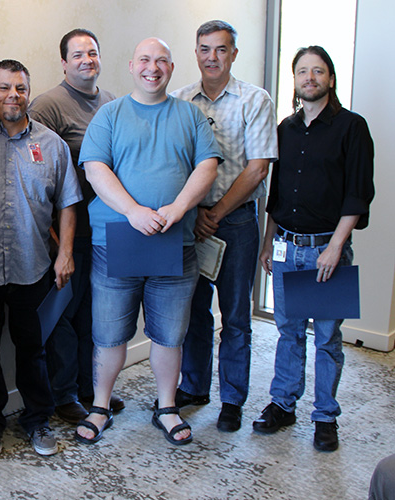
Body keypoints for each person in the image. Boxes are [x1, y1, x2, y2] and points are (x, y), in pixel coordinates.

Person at [76, 38, 221, 446]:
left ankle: (166, 406)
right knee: (108, 334)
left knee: (170, 334)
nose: (152, 68)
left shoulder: (190, 116)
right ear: (131, 65)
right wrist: (133, 211)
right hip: (117, 239)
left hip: (174, 241)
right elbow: (95, 168)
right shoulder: (110, 114)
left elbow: (207, 166)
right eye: (144, 59)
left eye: (161, 61)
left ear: (172, 69)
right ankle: (101, 406)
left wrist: (177, 208)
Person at [253, 46, 374, 452]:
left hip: (326, 251)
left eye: (318, 71)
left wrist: (336, 247)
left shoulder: (352, 127)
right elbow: (278, 193)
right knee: (287, 333)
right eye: (302, 71)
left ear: (330, 79)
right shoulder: (286, 129)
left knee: (326, 339)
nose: (310, 78)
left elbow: (358, 195)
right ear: (296, 80)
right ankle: (283, 404)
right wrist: (269, 242)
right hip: (288, 246)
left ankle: (325, 417)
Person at [0, 59, 83, 457]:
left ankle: (37, 421)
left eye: (20, 88)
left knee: (32, 349)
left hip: (33, 265)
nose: (12, 96)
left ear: (29, 93)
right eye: (3, 88)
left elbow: (68, 202)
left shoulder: (51, 144)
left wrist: (65, 254)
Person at [172, 20, 278, 432]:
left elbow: (258, 169)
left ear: (234, 54)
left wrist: (215, 212)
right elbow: (175, 162)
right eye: (204, 49)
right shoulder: (179, 101)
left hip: (235, 222)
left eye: (221, 49)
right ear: (195, 52)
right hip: (190, 222)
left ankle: (232, 399)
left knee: (235, 316)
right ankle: (195, 386)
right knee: (193, 312)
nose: (211, 57)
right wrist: (196, 211)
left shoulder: (255, 99)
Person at [28, 28, 121, 424]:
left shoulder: (113, 103)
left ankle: (89, 387)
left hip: (106, 230)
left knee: (92, 315)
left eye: (93, 53)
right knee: (62, 316)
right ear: (64, 62)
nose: (88, 60)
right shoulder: (48, 105)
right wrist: (55, 238)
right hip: (64, 233)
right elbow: (35, 170)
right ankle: (64, 394)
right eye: (78, 54)